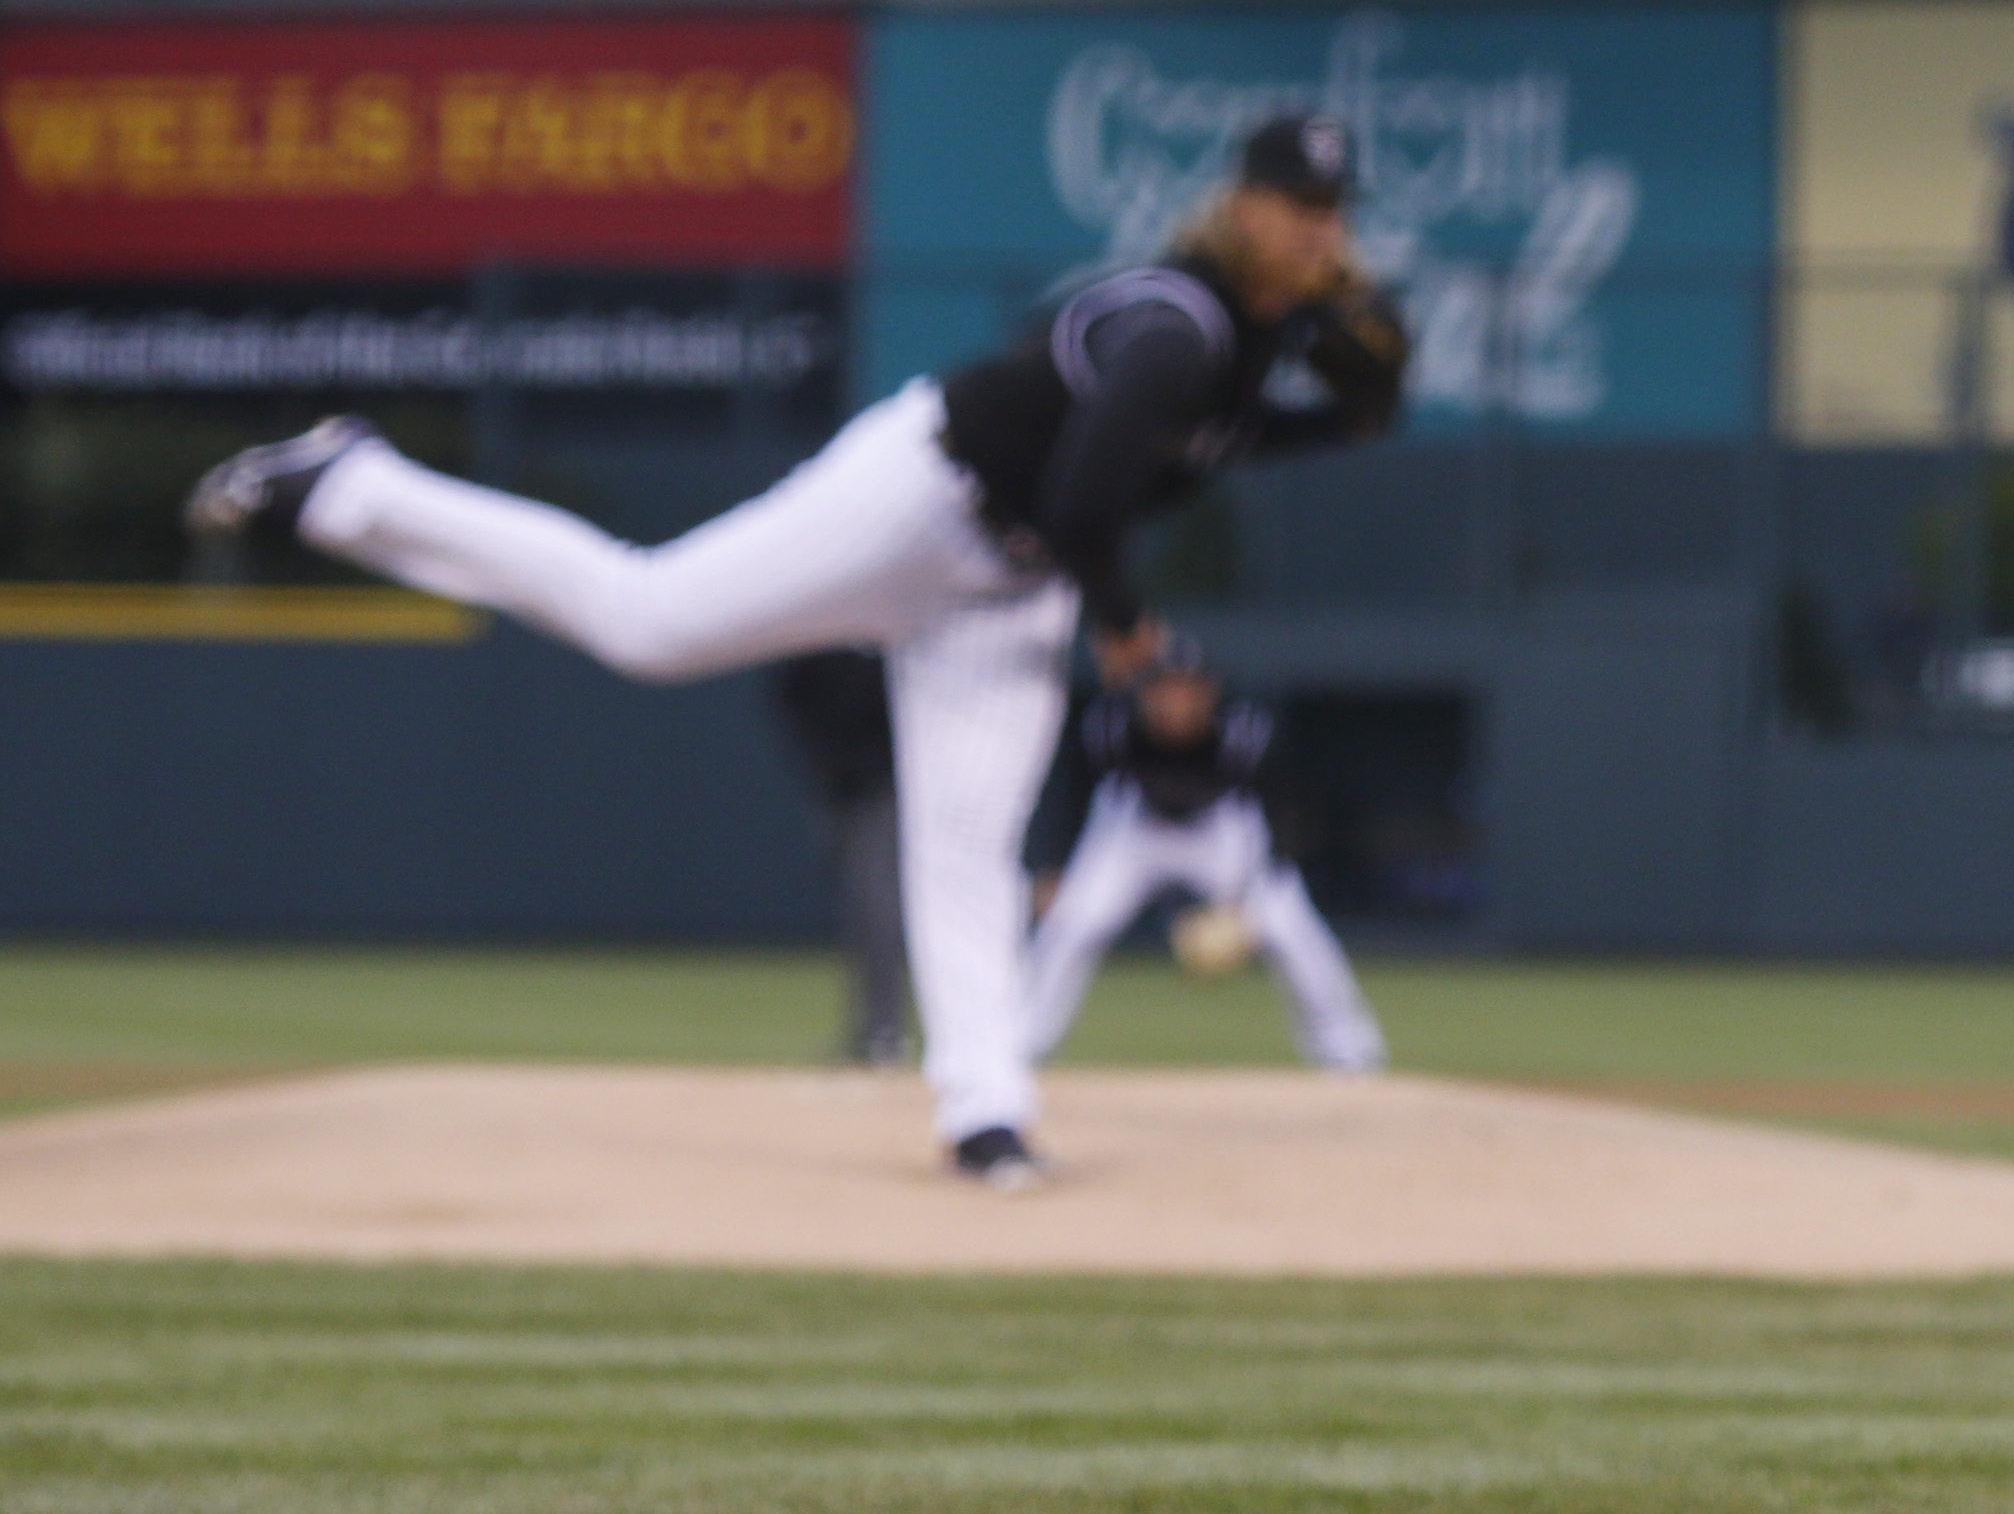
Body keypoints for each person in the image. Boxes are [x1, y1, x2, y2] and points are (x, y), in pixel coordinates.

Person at [187, 114, 1411, 1192]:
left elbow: (1208, 448)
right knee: (647, 621)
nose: (1318, 229)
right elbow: (1093, 497)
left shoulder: (1245, 346)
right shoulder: (1178, 324)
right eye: (1297, 204)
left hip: (1005, 588)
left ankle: (986, 1113)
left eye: (1333, 209)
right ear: (1243, 203)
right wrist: (1130, 629)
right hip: (924, 498)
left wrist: (1351, 419)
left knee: (969, 850)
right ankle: (353, 485)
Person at [1020, 640, 1384, 1075]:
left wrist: (1250, 897)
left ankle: (1350, 1052)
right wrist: (1058, 867)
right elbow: (1077, 801)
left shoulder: (1243, 730)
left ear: (1210, 693)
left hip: (1221, 830)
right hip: (1133, 826)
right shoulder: (1110, 725)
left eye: (1188, 688)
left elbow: (1279, 813)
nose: (1175, 701)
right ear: (1144, 693)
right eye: (1163, 688)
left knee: (1288, 922)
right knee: (1074, 919)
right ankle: (1023, 1046)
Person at [767, 648, 909, 1066]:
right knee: (861, 903)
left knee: (876, 901)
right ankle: (873, 1031)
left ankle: (885, 1034)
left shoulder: (884, 640)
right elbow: (788, 697)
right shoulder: (818, 640)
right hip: (836, 783)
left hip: (884, 784)